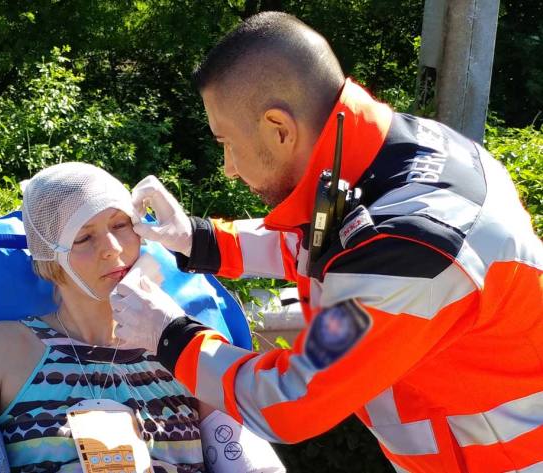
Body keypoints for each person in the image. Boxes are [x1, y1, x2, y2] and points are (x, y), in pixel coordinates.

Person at [110, 12, 543, 473]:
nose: (228, 168)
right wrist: (198, 239)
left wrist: (170, 335)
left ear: (278, 129)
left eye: (227, 142)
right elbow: (315, 242)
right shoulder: (379, 157)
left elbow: (291, 399)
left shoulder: (409, 252)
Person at [0, 162, 284, 473]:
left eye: (121, 224)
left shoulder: (185, 344)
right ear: (49, 260)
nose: (112, 248)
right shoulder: (2, 350)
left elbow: (249, 461)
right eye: (84, 237)